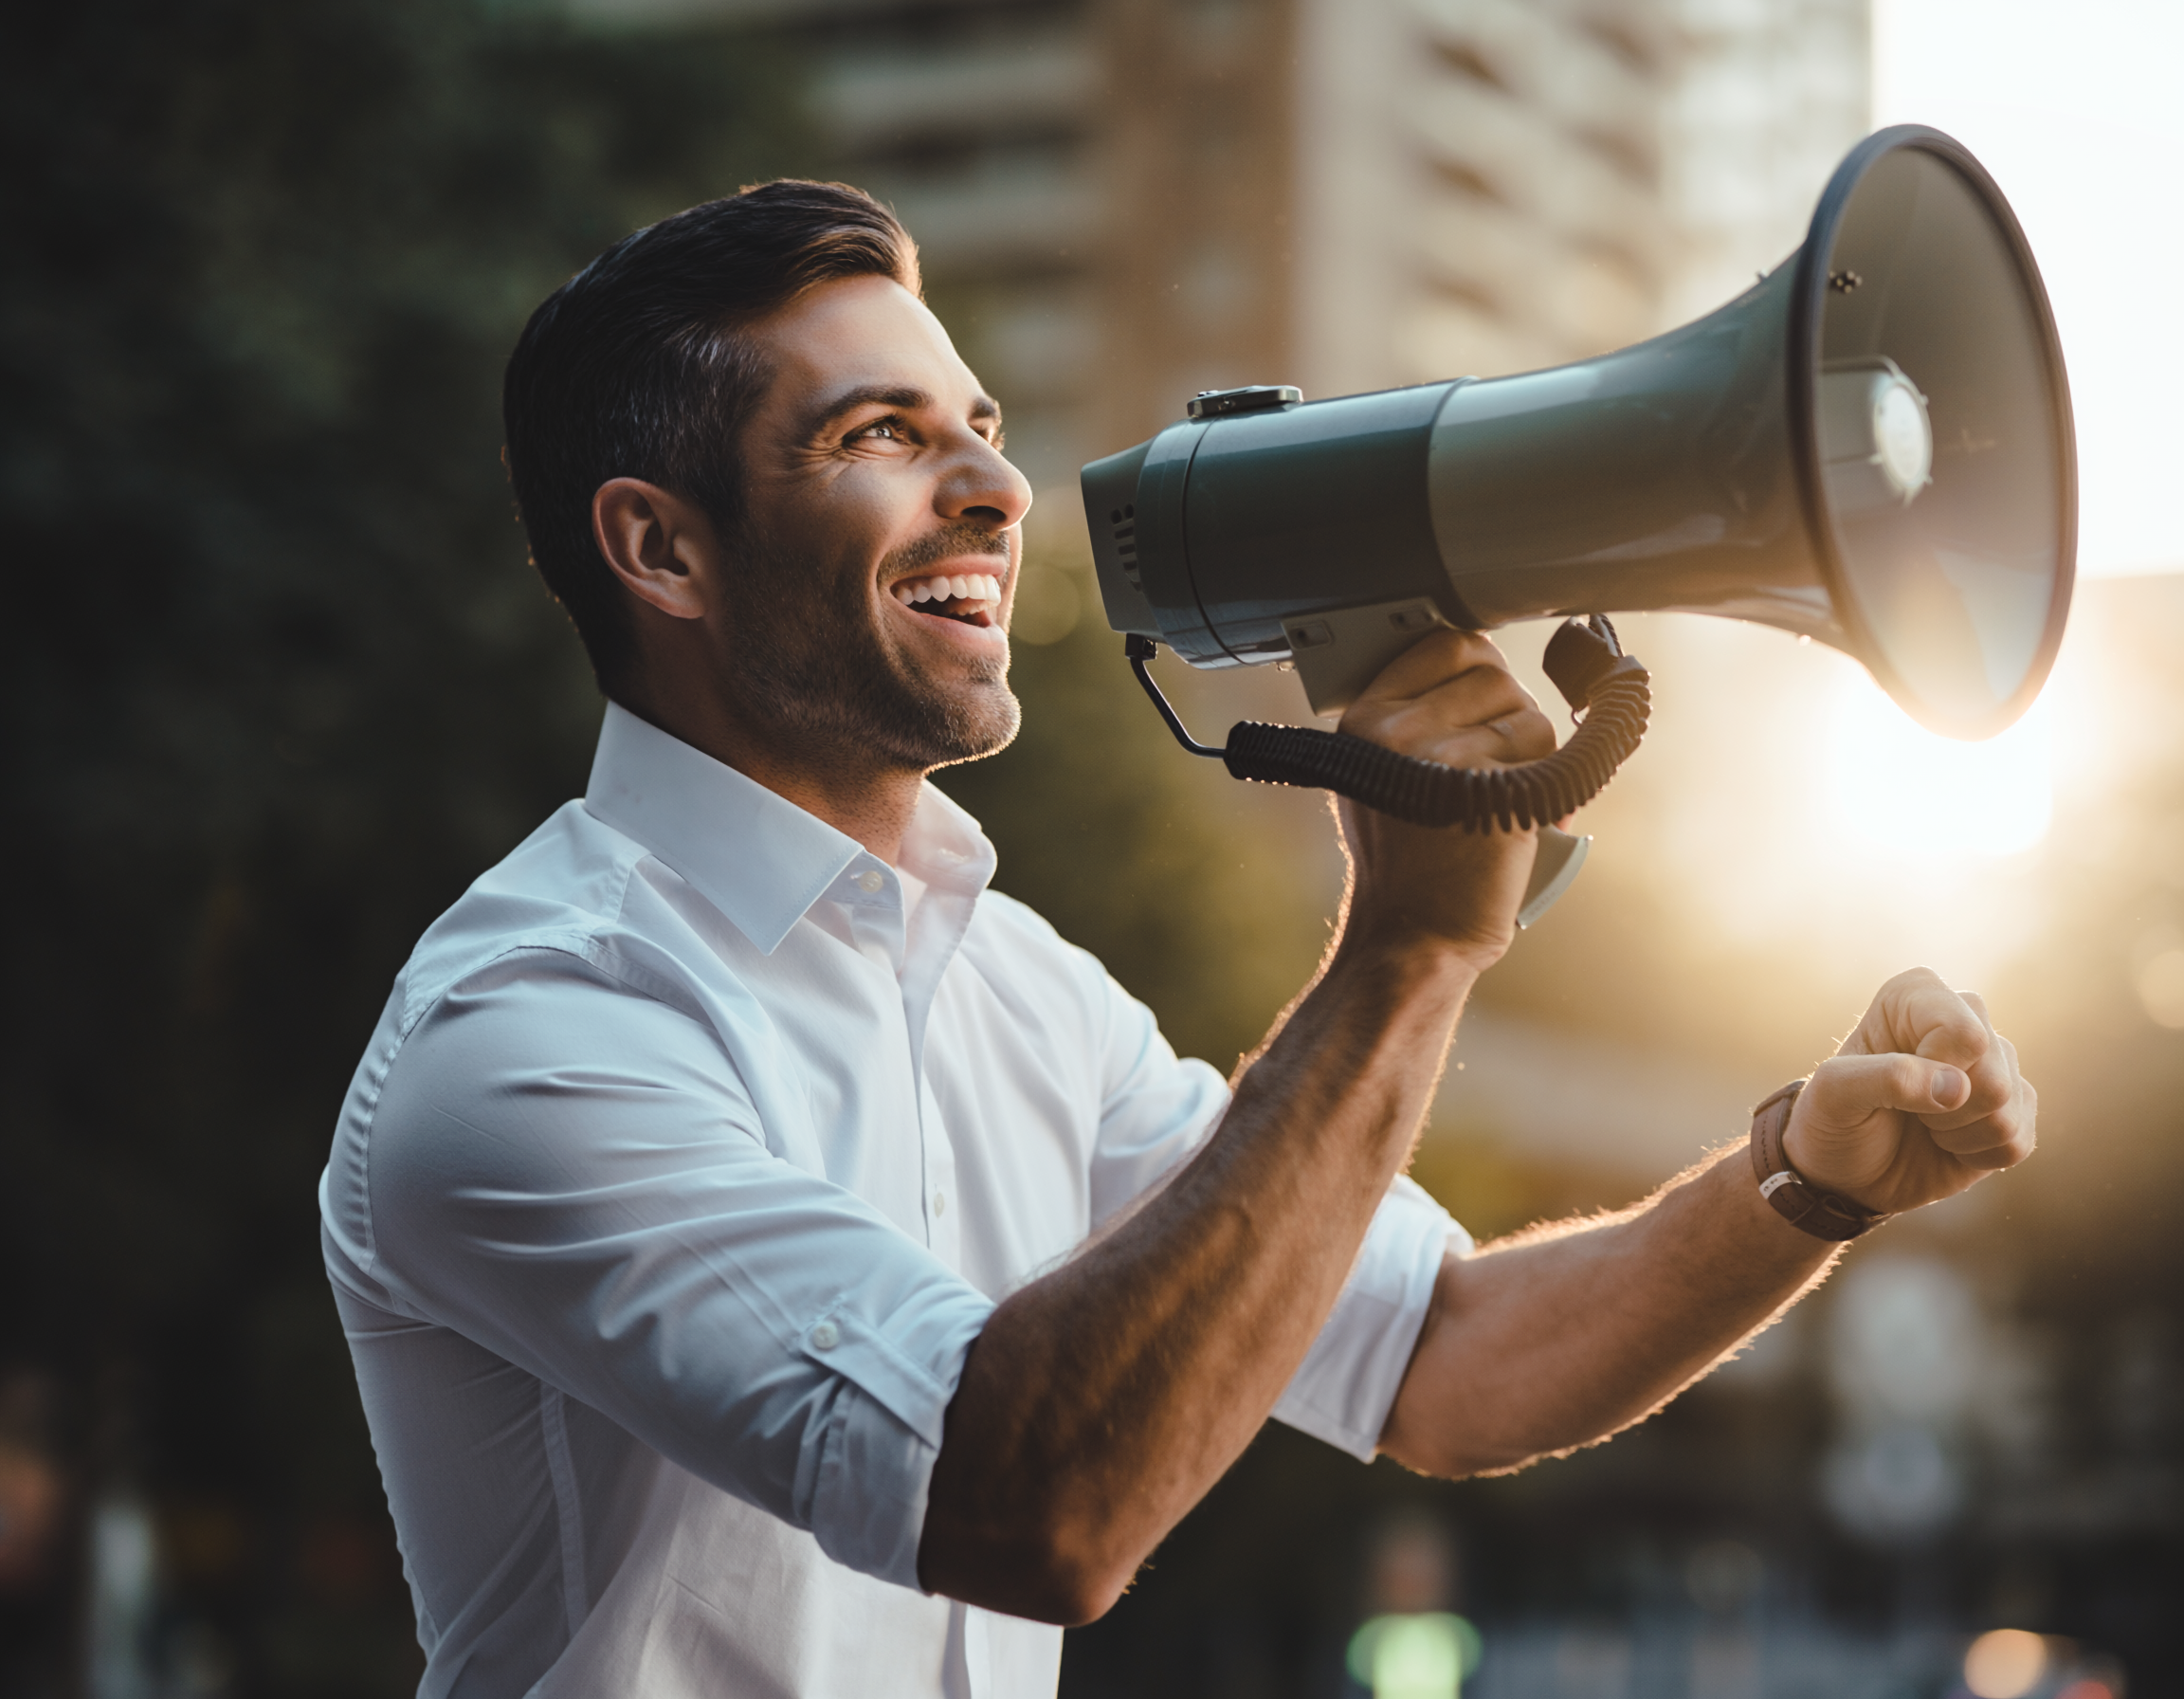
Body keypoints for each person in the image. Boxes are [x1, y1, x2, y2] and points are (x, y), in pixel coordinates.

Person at [320, 181, 2035, 1699]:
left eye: (980, 424)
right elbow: (1025, 1507)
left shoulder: (1018, 989)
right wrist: (1407, 958)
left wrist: (1808, 1179)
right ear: (661, 547)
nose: (996, 485)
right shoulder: (531, 1030)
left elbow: (1442, 1359)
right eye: (877, 435)